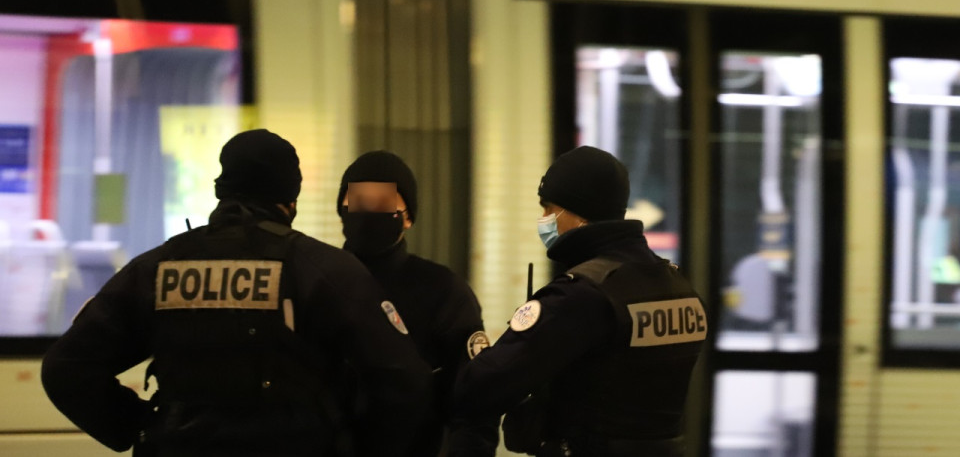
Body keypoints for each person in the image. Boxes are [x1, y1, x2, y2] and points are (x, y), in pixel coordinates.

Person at [41, 129, 432, 457]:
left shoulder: (156, 269)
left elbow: (67, 369)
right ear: (290, 198)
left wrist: (140, 426)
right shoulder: (324, 270)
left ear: (221, 188)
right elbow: (404, 380)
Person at [452, 146, 707, 457]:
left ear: (578, 210)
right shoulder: (678, 285)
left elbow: (479, 388)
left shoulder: (582, 295)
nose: (544, 219)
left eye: (549, 209)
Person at [336, 151, 498, 457]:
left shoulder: (443, 290)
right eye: (358, 200)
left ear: (408, 217)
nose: (368, 210)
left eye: (382, 202)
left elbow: (475, 401)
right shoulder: (318, 280)